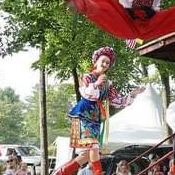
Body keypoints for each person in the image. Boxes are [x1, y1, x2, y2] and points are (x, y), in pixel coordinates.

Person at [54, 47, 144, 175]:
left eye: (108, 63)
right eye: (103, 61)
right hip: (84, 115)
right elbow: (86, 93)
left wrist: (133, 94)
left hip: (96, 119)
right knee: (94, 147)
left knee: (87, 154)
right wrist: (96, 84)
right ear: (96, 62)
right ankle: (98, 173)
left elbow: (117, 100)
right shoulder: (87, 77)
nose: (105, 64)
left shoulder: (108, 84)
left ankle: (61, 172)